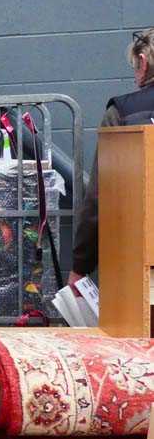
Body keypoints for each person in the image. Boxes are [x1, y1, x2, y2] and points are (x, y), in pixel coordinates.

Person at [70, 27, 154, 291]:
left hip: (139, 257)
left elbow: (100, 196)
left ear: (143, 61)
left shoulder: (124, 112)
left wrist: (80, 266)